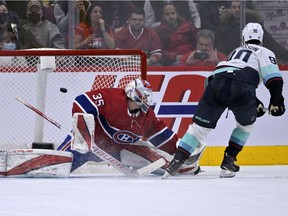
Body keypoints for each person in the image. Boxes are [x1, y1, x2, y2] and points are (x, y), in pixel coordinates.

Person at [164, 23, 285, 178]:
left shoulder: (236, 51)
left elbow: (232, 76)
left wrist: (256, 103)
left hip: (215, 82)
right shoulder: (264, 51)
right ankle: (228, 161)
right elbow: (273, 79)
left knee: (198, 129)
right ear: (261, 39)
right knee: (245, 126)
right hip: (241, 88)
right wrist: (277, 102)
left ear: (243, 38)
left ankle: (176, 162)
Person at [57, 78, 205, 175]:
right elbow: (81, 102)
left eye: (147, 96)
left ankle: (186, 167)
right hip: (88, 145)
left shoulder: (146, 116)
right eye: (143, 96)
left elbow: (163, 137)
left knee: (160, 164)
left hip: (120, 150)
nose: (146, 99)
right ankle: (40, 163)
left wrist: (182, 151)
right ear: (132, 94)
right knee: (58, 167)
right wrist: (83, 136)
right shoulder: (112, 98)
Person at [214, 0, 288, 64]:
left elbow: (271, 43)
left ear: (245, 8)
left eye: (239, 7)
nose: (237, 9)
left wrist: (285, 55)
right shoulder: (225, 27)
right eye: (234, 7)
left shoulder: (255, 26)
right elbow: (220, 46)